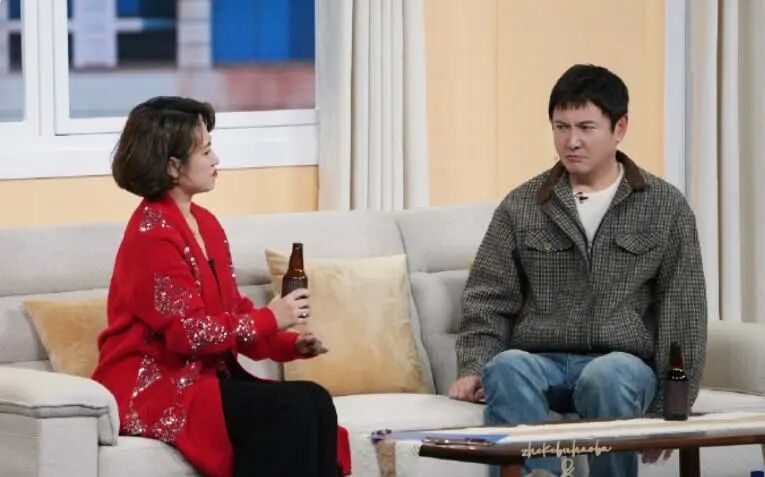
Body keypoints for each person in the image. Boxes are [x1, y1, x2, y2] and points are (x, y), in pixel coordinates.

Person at [449, 64, 707, 477]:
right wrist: (473, 366)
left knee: (607, 375)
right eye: (561, 127)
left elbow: (684, 312)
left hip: (623, 366)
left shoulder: (666, 207)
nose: (571, 141)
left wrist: (671, 407)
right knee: (506, 367)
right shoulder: (522, 205)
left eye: (586, 127)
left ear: (620, 128)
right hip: (541, 361)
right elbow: (488, 298)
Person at [92, 96, 351, 477]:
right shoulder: (151, 235)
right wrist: (271, 317)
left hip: (204, 378)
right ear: (172, 166)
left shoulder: (207, 225)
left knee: (315, 399)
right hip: (156, 386)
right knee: (291, 408)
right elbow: (190, 335)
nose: (216, 160)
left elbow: (232, 314)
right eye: (206, 151)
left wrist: (289, 343)